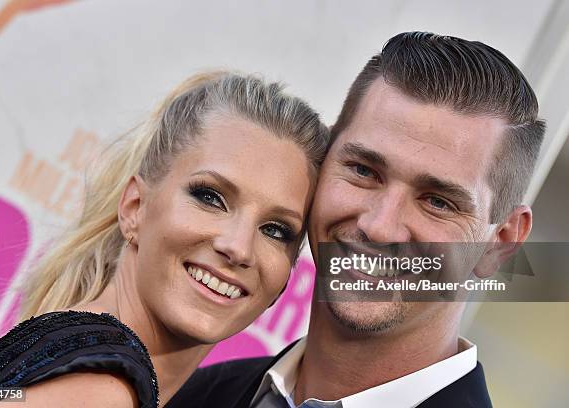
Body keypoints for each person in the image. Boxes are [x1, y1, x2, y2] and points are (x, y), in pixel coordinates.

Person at [166, 32, 546, 407]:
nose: (379, 226)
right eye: (363, 170)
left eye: (438, 202)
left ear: (502, 241)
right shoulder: (190, 394)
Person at [0, 71, 330, 407]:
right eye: (210, 197)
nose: (238, 247)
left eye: (275, 230)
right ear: (135, 206)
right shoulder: (101, 391)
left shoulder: (73, 357)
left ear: (285, 280)